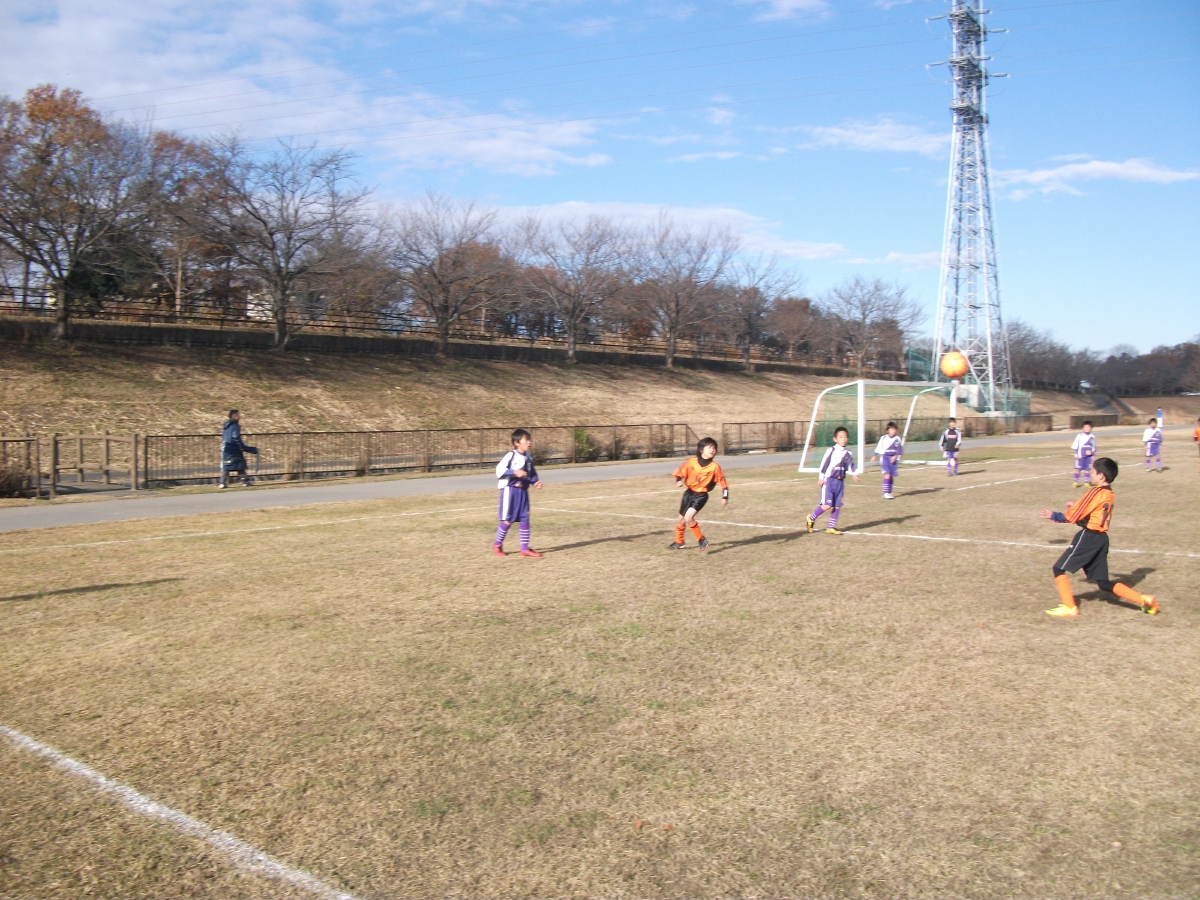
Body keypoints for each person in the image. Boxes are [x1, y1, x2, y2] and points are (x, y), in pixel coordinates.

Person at [1040, 456, 1159, 617]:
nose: (1091, 474)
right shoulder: (1110, 493)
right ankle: (1144, 600)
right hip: (1102, 539)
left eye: (1093, 472)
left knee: (1058, 568)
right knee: (1103, 583)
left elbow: (1073, 516)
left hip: (1089, 537)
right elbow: (1091, 515)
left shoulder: (1095, 492)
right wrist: (1076, 508)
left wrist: (1054, 515)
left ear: (1101, 476)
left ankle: (1070, 607)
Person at [668, 437, 728, 552]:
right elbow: (680, 472)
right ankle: (679, 541)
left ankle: (701, 539)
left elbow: (723, 482)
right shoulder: (691, 462)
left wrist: (724, 496)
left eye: (714, 448)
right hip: (689, 494)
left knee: (688, 517)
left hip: (701, 496)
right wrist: (678, 480)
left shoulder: (715, 467)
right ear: (701, 449)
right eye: (710, 447)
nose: (713, 450)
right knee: (681, 519)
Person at [494, 429, 544, 558]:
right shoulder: (511, 455)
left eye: (529, 440)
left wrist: (535, 482)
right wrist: (514, 472)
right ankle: (497, 545)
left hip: (523, 492)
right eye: (526, 440)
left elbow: (531, 473)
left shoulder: (528, 457)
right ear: (516, 443)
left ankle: (524, 548)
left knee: (524, 519)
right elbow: (499, 470)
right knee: (507, 520)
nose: (529, 442)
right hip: (510, 491)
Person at [805, 426, 859, 535]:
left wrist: (854, 474)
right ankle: (811, 518)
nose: (844, 439)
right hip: (829, 481)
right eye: (841, 437)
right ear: (835, 439)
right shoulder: (831, 450)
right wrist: (821, 478)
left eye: (845, 437)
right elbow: (824, 464)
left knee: (837, 505)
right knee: (827, 505)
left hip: (840, 482)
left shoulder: (848, 453)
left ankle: (831, 527)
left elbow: (851, 464)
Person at [219, 409, 258, 489]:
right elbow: (236, 436)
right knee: (240, 464)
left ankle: (222, 482)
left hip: (226, 448)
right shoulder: (235, 425)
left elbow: (224, 436)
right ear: (235, 416)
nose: (240, 417)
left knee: (227, 465)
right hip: (234, 447)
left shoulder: (226, 426)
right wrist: (241, 446)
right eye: (238, 415)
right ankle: (245, 481)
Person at [870, 421, 903, 499]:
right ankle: (885, 493)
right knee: (887, 474)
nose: (893, 431)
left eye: (894, 429)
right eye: (891, 429)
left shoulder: (897, 439)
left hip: (893, 459)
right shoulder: (883, 438)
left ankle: (889, 491)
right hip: (885, 458)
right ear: (887, 430)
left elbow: (899, 449)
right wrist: (874, 456)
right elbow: (879, 447)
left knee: (891, 476)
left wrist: (895, 456)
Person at [1071, 420, 1097, 488]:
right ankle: (1076, 482)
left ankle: (1086, 482)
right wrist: (1076, 454)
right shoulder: (1079, 436)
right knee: (1078, 469)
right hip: (1081, 456)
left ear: (1091, 428)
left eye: (1088, 427)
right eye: (1085, 427)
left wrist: (1093, 455)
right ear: (1083, 428)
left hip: (1088, 457)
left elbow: (1093, 446)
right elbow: (1076, 445)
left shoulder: (1092, 437)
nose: (1087, 429)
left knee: (1087, 469)